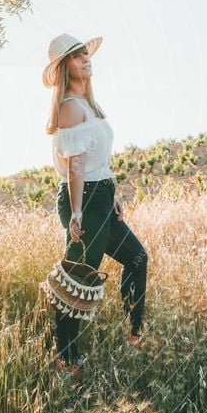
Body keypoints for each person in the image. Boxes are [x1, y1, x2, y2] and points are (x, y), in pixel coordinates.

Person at [42, 33, 149, 379]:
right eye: (77, 56)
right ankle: (66, 358)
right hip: (84, 200)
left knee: (137, 257)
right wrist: (75, 212)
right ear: (64, 68)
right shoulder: (70, 107)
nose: (86, 59)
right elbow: (75, 165)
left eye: (86, 54)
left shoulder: (89, 105)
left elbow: (96, 162)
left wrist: (112, 192)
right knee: (77, 281)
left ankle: (133, 330)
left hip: (100, 196)